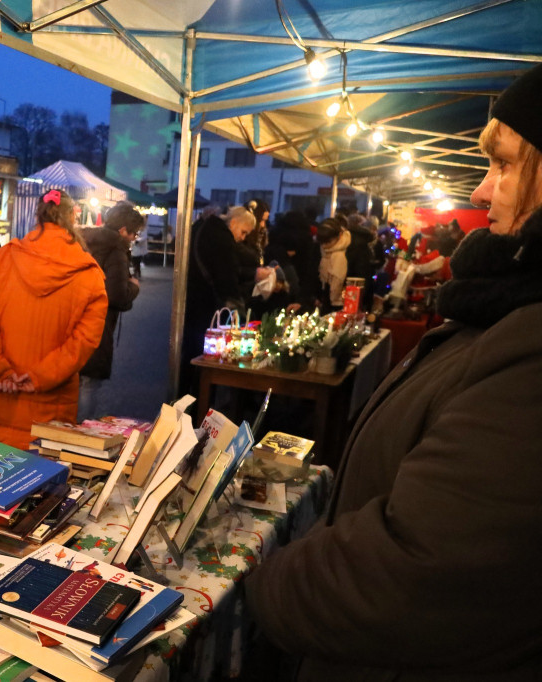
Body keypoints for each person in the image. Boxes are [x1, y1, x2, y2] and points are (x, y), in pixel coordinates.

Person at [245, 63, 542, 681]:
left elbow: (415, 572)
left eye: (506, 164)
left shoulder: (528, 344)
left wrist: (260, 582)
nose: (482, 192)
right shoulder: (502, 311)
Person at [0, 188, 106, 448]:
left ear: (37, 216)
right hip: (48, 413)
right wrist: (37, 377)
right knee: (40, 485)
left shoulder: (0, 259)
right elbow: (81, 344)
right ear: (73, 217)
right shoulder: (90, 276)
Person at [180, 205, 270, 393]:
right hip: (205, 304)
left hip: (190, 300)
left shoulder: (203, 228)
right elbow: (227, 278)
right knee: (203, 356)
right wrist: (239, 311)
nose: (243, 238)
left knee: (188, 355)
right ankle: (198, 401)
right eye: (244, 232)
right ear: (234, 222)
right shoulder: (222, 239)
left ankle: (182, 398)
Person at [78, 202, 141, 420]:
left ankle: (62, 431)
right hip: (97, 323)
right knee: (88, 385)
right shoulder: (116, 251)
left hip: (72, 318)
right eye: (134, 233)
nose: (135, 238)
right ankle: (79, 435)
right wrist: (134, 287)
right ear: (123, 230)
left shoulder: (85, 241)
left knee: (72, 381)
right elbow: (116, 295)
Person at [315, 216, 350, 310]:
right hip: (324, 297)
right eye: (322, 242)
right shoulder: (319, 250)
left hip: (341, 300)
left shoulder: (348, 250)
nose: (324, 246)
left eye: (328, 242)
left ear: (339, 236)